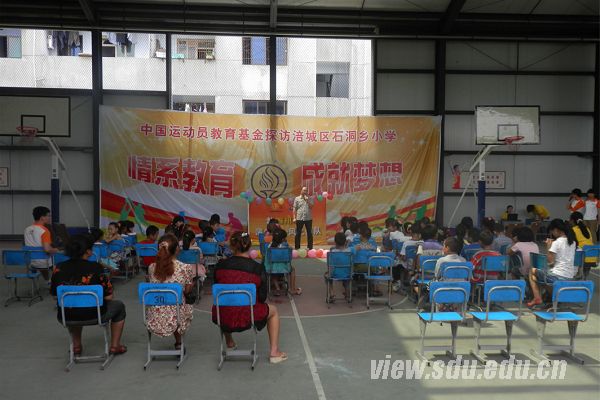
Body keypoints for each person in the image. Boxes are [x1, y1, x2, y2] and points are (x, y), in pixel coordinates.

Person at [212, 232, 287, 364]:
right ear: (250, 246)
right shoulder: (257, 268)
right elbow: (262, 297)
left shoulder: (220, 266)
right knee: (274, 311)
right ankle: (274, 352)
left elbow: (217, 288)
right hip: (249, 314)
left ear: (232, 246)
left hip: (222, 315)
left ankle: (229, 342)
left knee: (224, 302)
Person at [51, 234, 127, 356]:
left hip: (66, 315)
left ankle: (76, 346)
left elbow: (55, 296)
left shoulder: (59, 268)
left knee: (73, 305)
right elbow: (109, 297)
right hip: (94, 314)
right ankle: (115, 346)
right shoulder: (96, 267)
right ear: (88, 251)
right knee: (119, 306)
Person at [147, 234, 194, 349]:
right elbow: (187, 291)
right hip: (177, 316)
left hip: (155, 316)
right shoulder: (185, 267)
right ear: (177, 249)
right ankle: (179, 342)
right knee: (181, 301)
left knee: (170, 301)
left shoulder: (152, 267)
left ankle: (178, 342)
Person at [528, 219, 577, 307]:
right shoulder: (572, 242)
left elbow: (550, 261)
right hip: (570, 276)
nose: (552, 234)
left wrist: (548, 247)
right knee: (536, 277)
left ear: (556, 230)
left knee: (532, 271)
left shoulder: (557, 242)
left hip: (557, 276)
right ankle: (555, 297)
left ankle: (537, 298)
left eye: (552, 231)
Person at [24, 206, 59, 280]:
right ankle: (56, 282)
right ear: (42, 218)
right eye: (48, 216)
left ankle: (47, 280)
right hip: (43, 262)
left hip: (30, 262)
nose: (49, 218)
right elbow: (47, 249)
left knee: (43, 261)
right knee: (59, 259)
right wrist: (56, 250)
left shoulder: (27, 229)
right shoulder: (44, 231)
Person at [325, 232, 351, 300]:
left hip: (335, 274)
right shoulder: (349, 251)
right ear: (345, 241)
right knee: (347, 280)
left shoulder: (332, 252)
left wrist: (329, 273)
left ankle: (331, 293)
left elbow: (330, 266)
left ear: (335, 242)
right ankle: (348, 294)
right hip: (347, 274)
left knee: (327, 276)